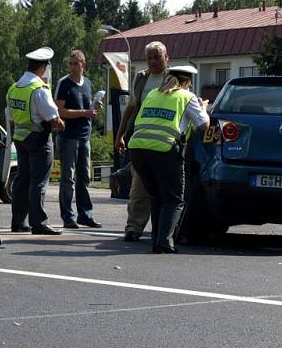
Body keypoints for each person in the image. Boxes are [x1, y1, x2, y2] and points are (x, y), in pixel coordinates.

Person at [127, 65, 209, 253]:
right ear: (187, 82)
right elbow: (203, 124)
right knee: (174, 199)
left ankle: (157, 238)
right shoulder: (186, 97)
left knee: (156, 196)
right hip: (164, 150)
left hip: (138, 150)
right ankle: (164, 242)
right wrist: (203, 107)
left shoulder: (153, 94)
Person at [6, 47, 65, 235]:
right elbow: (53, 118)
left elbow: (12, 116)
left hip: (20, 138)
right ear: (43, 67)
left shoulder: (14, 88)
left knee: (22, 181)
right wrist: (61, 124)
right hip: (39, 138)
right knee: (39, 181)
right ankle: (38, 222)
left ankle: (18, 222)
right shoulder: (39, 89)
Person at [114, 41, 169, 241]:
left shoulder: (174, 78)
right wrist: (119, 135)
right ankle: (134, 228)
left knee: (164, 189)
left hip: (166, 143)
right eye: (150, 58)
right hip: (141, 141)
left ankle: (161, 230)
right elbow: (129, 109)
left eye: (157, 57)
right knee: (139, 188)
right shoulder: (141, 79)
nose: (153, 61)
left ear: (166, 57)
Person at [54, 50, 104, 229]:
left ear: (84, 64)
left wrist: (94, 108)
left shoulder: (88, 83)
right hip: (68, 136)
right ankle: (68, 216)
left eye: (76, 63)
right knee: (68, 178)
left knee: (84, 178)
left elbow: (88, 111)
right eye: (70, 63)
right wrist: (86, 112)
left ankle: (85, 214)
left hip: (85, 135)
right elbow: (60, 111)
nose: (73, 67)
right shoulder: (64, 83)